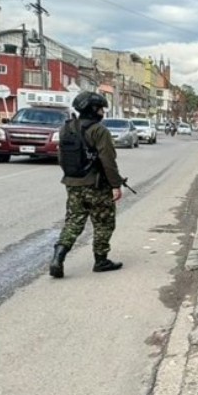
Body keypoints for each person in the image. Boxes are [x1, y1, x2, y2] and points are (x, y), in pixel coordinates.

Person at [49, 91, 125, 278]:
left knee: (73, 222)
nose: (102, 112)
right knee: (103, 222)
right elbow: (108, 160)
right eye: (100, 109)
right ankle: (101, 260)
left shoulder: (66, 128)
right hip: (96, 185)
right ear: (93, 110)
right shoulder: (99, 131)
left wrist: (73, 177)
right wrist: (116, 185)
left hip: (73, 184)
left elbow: (62, 158)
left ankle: (58, 257)